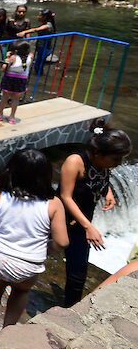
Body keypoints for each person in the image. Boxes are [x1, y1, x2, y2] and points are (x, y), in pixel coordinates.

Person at [0, 149, 68, 341]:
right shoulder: (53, 204)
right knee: (21, 291)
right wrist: (47, 248)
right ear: (46, 175)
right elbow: (62, 242)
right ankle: (6, 334)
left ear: (11, 170)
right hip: (28, 265)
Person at [59, 123, 132, 306]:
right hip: (58, 220)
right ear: (99, 153)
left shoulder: (104, 165)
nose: (119, 164)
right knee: (33, 256)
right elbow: (65, 197)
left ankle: (69, 312)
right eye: (116, 159)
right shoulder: (75, 162)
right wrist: (89, 227)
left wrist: (107, 192)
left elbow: (100, 179)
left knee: (78, 275)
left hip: (81, 224)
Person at [0, 43, 32, 124]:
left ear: (16, 50)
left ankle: (0, 114)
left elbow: (4, 68)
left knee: (5, 96)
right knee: (15, 98)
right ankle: (12, 117)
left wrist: (7, 58)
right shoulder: (30, 57)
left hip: (10, 78)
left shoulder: (13, 57)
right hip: (21, 80)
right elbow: (27, 68)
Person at [18, 8, 57, 75]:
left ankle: (39, 79)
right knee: (37, 64)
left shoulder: (47, 26)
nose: (38, 17)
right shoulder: (46, 24)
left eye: (40, 16)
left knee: (38, 66)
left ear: (45, 17)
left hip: (44, 48)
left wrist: (24, 32)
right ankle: (38, 77)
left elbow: (36, 29)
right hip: (41, 47)